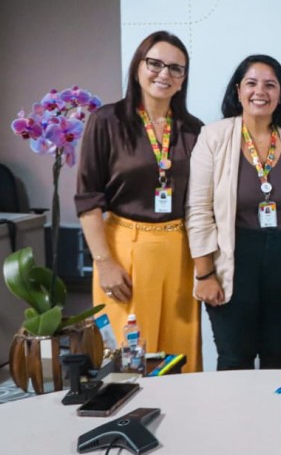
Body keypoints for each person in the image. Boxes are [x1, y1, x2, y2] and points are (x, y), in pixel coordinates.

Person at [75, 30, 203, 372]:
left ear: (183, 80)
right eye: (155, 63)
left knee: (179, 359)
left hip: (180, 251)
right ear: (137, 68)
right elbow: (88, 199)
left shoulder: (194, 130)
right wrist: (104, 263)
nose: (164, 74)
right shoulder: (107, 121)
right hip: (124, 250)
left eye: (176, 68)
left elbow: (201, 202)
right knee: (128, 361)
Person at [186, 54, 281, 370]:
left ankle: (278, 419)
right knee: (234, 357)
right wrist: (204, 274)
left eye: (271, 84)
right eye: (252, 83)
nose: (261, 91)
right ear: (238, 90)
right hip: (233, 258)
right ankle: (234, 421)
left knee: (279, 354)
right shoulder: (214, 136)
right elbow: (199, 210)